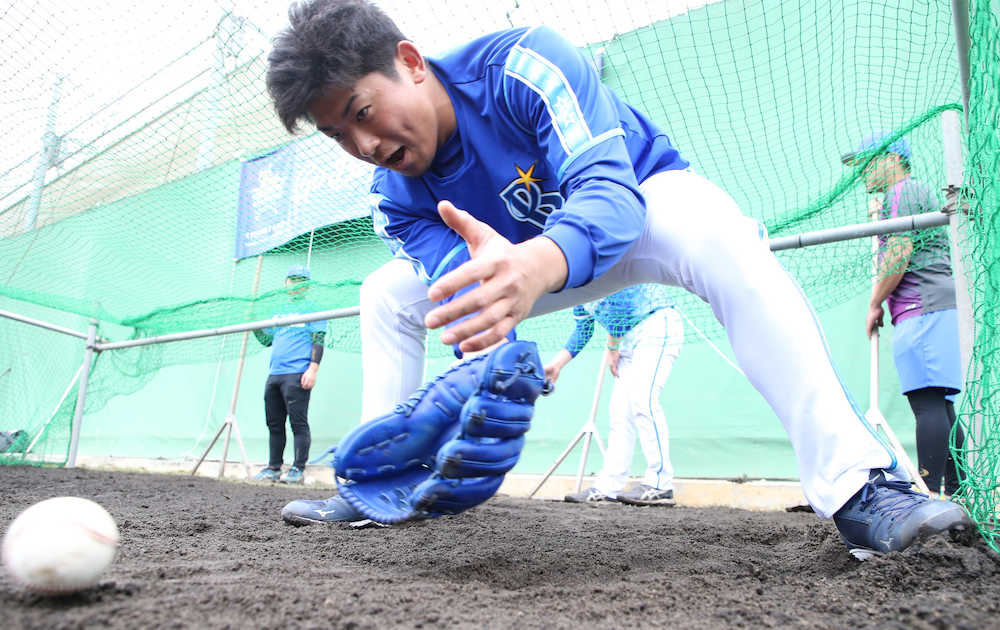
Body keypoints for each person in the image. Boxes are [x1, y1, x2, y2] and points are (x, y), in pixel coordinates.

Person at [265, 0, 970, 557]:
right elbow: (470, 297)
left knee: (723, 235)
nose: (364, 145)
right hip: (529, 267)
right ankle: (377, 489)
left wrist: (535, 264)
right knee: (384, 293)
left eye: (361, 113)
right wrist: (487, 370)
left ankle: (860, 489)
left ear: (410, 62)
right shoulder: (392, 197)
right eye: (338, 135)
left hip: (640, 209)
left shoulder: (521, 62)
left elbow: (607, 190)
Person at [843, 132, 966, 497]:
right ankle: (957, 496)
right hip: (933, 304)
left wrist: (874, 302)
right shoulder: (903, 196)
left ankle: (928, 493)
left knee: (928, 402)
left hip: (922, 305)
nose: (861, 172)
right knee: (940, 404)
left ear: (891, 158)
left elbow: (898, 252)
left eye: (866, 162)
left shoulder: (903, 191)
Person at [545, 284, 683, 506]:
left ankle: (661, 484)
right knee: (619, 413)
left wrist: (612, 345)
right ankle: (608, 487)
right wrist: (557, 365)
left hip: (655, 324)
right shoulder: (575, 295)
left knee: (643, 402)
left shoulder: (594, 272)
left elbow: (620, 301)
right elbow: (583, 330)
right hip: (626, 338)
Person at [251, 265, 327, 484]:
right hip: (275, 374)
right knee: (274, 423)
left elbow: (318, 340)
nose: (296, 283)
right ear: (286, 283)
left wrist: (313, 369)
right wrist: (255, 325)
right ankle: (273, 467)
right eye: (292, 279)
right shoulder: (278, 311)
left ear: (308, 285)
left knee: (298, 423)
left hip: (297, 374)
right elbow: (267, 341)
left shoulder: (315, 309)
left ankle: (297, 469)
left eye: (301, 280)